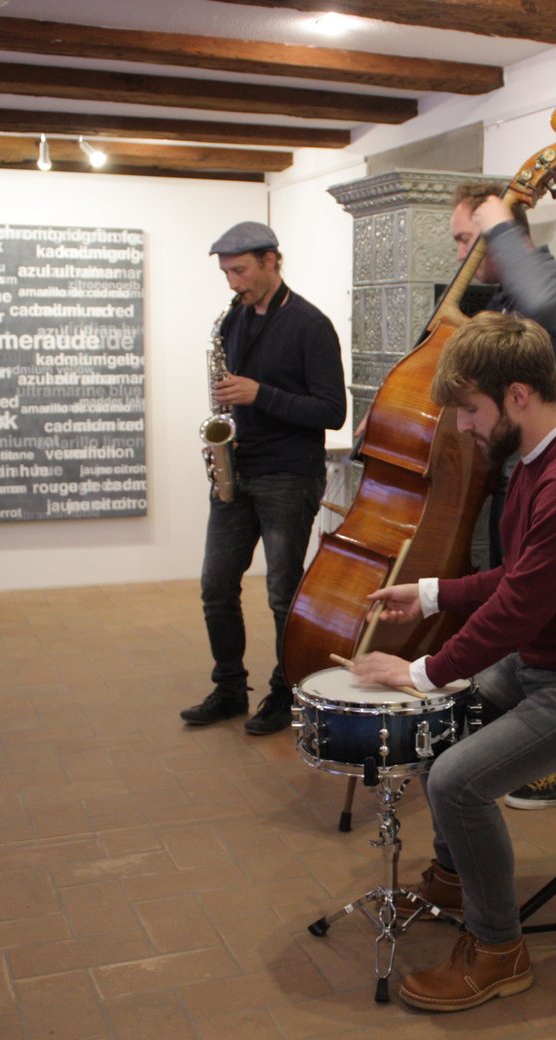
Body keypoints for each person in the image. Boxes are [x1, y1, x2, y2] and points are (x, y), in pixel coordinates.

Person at [351, 312, 556, 1013]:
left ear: (517, 395)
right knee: (440, 733)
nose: (461, 425)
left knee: (460, 777)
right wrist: (429, 592)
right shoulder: (536, 463)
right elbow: (524, 578)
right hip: (549, 662)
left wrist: (420, 670)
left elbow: (519, 606)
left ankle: (499, 949)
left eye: (469, 409)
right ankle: (460, 876)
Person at [450, 181, 556, 809]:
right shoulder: (510, 297)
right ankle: (515, 746)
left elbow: (541, 295)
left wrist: (499, 227)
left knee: (548, 619)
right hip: (520, 474)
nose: (461, 255)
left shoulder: (554, 283)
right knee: (514, 607)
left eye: (467, 238)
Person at [179, 221, 347, 736]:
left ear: (272, 261)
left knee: (281, 592)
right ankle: (230, 687)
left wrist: (261, 395)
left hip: (287, 475)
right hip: (238, 469)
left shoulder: (309, 324)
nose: (233, 283)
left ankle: (285, 691)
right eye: (227, 272)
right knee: (215, 586)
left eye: (241, 270)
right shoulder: (233, 320)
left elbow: (333, 411)